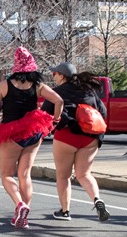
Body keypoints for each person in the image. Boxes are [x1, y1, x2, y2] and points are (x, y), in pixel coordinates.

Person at [0, 47, 64, 230]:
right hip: (33, 130)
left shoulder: (5, 85)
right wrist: (56, 119)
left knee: (6, 174)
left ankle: (19, 204)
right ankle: (24, 216)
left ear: (16, 65)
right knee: (25, 174)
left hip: (11, 133)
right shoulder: (38, 86)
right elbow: (59, 101)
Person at [42, 62, 111, 222]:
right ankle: (97, 200)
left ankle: (65, 211)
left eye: (55, 74)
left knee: (63, 176)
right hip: (90, 137)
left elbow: (45, 114)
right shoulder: (89, 91)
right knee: (84, 174)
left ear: (61, 76)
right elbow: (103, 112)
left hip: (66, 136)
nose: (54, 77)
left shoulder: (56, 92)